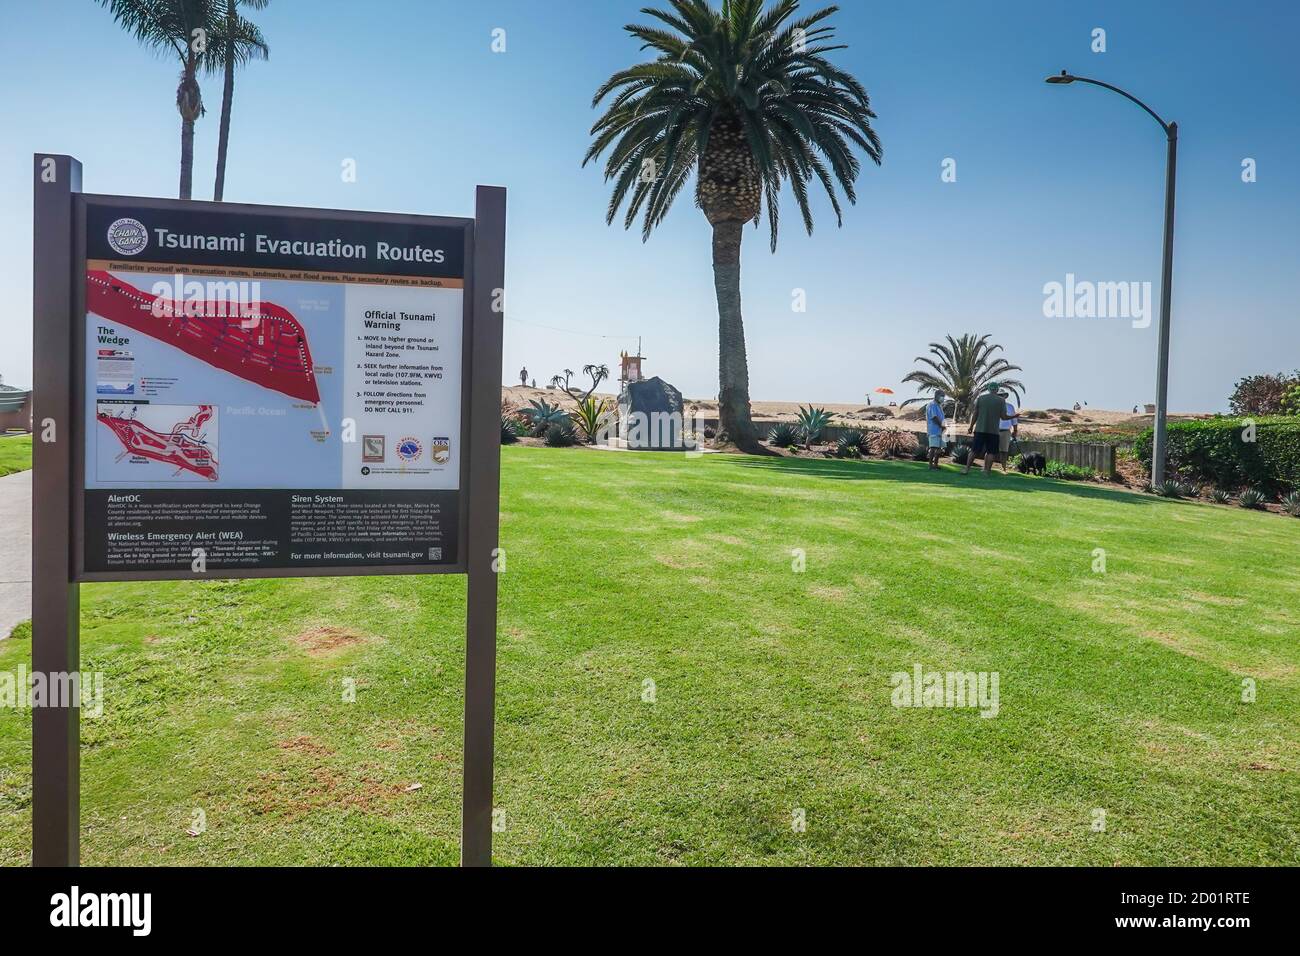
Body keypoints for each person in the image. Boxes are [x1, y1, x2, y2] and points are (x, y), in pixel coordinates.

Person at [964, 382, 1005, 476]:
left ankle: (966, 469)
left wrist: (970, 426)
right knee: (991, 452)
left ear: (988, 389)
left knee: (974, 450)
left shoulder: (981, 398)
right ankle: (987, 471)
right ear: (997, 390)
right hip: (993, 431)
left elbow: (975, 414)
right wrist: (1013, 416)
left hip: (980, 429)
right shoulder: (1001, 401)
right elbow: (1003, 417)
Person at [997, 388, 1019, 473]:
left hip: (1005, 431)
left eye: (1002, 395)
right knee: (990, 450)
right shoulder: (993, 406)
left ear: (1005, 396)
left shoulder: (1010, 407)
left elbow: (1014, 420)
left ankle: (1003, 468)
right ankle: (987, 467)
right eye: (999, 395)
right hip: (994, 430)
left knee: (1004, 451)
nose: (1001, 397)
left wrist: (1015, 430)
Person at [924, 389, 946, 470]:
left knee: (939, 448)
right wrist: (941, 425)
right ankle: (930, 465)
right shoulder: (932, 405)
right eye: (942, 396)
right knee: (933, 448)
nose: (943, 398)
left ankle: (936, 464)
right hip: (934, 430)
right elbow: (934, 417)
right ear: (936, 396)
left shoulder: (939, 405)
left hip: (940, 430)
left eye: (943, 396)